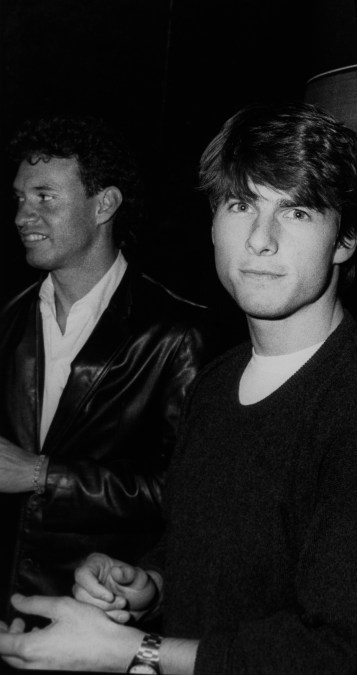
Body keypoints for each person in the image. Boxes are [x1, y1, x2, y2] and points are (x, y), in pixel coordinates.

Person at [0, 103, 357, 674]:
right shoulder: (217, 382)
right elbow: (210, 552)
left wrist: (132, 650)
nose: (260, 239)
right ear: (213, 224)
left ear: (345, 239)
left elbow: (334, 656)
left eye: (296, 212)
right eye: (241, 205)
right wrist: (149, 583)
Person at [0, 115, 209, 618]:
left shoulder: (177, 333)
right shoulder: (7, 320)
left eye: (45, 196)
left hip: (99, 614)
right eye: (20, 198)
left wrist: (43, 475)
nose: (23, 215)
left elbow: (187, 495)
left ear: (104, 205)